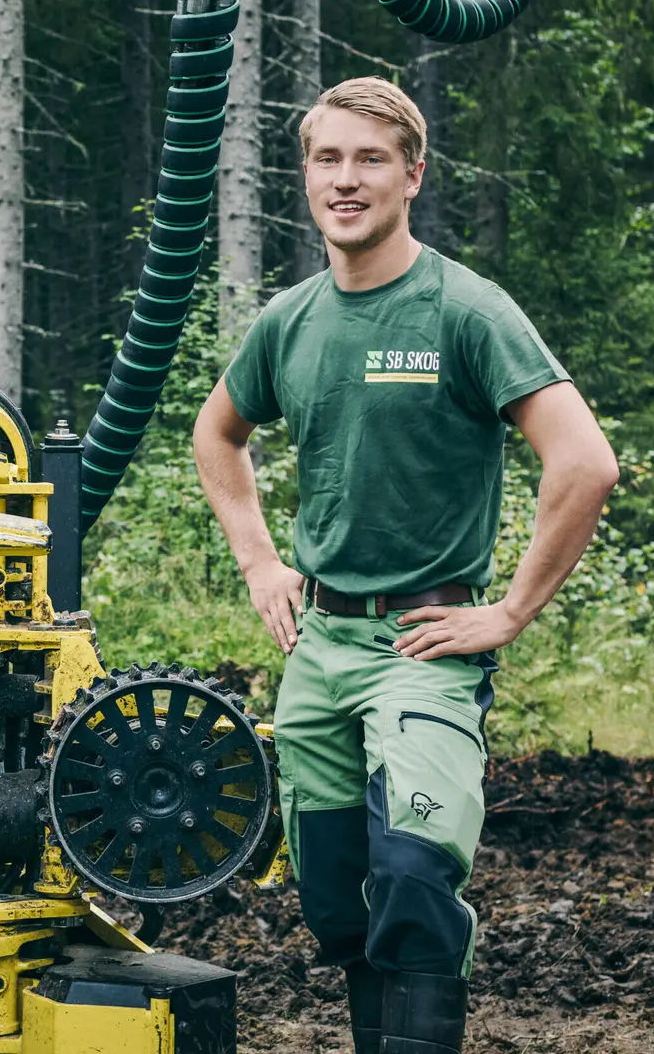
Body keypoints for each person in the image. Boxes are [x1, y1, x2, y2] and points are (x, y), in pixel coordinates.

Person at [192, 77, 619, 1054]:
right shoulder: (290, 323)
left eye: (370, 158)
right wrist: (261, 562)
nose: (347, 179)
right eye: (328, 158)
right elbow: (218, 435)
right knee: (338, 903)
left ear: (412, 174)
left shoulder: (464, 310)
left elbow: (585, 462)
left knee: (418, 882)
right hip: (320, 647)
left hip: (425, 644)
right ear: (306, 174)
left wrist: (508, 610)